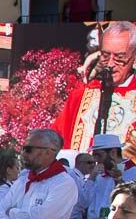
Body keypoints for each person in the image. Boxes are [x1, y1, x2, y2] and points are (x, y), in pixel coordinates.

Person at [54, 21, 136, 154]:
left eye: (119, 57)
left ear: (134, 57)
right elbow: (56, 140)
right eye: (105, 55)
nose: (110, 64)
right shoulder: (81, 96)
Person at [79, 134, 128, 219]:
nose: (95, 160)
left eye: (98, 155)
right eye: (94, 155)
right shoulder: (98, 175)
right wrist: (91, 177)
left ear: (113, 153)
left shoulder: (132, 171)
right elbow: (83, 202)